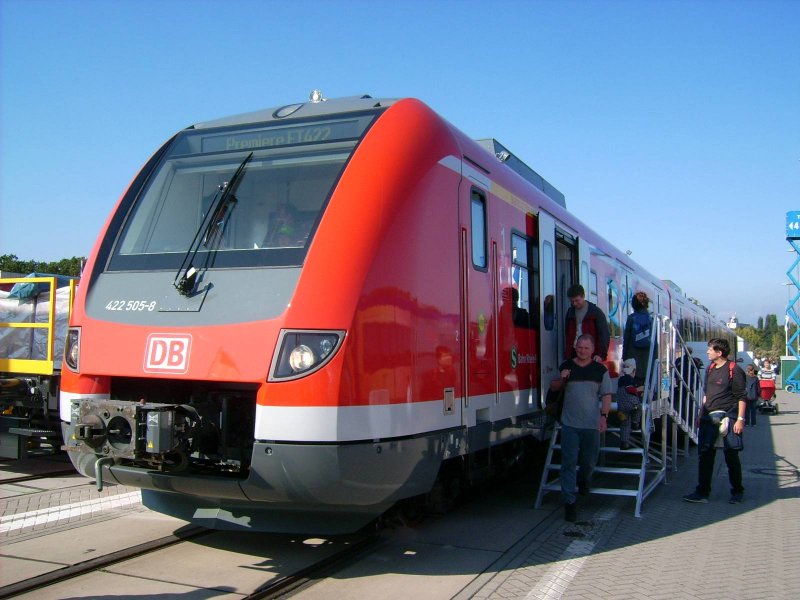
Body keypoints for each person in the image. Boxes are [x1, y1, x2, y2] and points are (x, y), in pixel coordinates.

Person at [551, 334, 613, 522]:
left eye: (586, 348)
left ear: (592, 350)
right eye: (579, 347)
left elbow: (606, 395)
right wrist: (562, 379)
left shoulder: (600, 370)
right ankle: (569, 502)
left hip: (591, 424)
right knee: (568, 463)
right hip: (569, 423)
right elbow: (553, 388)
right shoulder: (566, 366)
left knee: (589, 461)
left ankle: (583, 479)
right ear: (575, 347)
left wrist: (604, 416)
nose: (582, 351)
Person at [683, 338, 746, 504]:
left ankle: (737, 492)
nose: (707, 352)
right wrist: (700, 414)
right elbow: (706, 395)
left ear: (719, 353)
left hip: (728, 417)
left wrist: (740, 419)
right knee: (705, 454)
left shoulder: (734, 370)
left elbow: (741, 397)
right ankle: (702, 492)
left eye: (710, 349)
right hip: (708, 417)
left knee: (731, 455)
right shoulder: (710, 368)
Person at [564, 284, 610, 363]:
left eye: (577, 300)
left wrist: (600, 354)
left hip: (591, 355)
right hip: (574, 352)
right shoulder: (570, 312)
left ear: (583, 296)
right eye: (572, 301)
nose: (574, 303)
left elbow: (604, 334)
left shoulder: (596, 312)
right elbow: (567, 333)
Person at [622, 291, 654, 387]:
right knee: (644, 385)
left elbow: (626, 338)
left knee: (631, 385)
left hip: (632, 357)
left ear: (633, 304)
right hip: (647, 358)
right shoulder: (652, 319)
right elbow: (655, 341)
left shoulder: (631, 318)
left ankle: (634, 401)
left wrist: (624, 357)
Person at [616, 358, 643, 450]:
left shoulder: (620, 380)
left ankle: (624, 443)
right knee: (639, 407)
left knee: (625, 424)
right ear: (634, 370)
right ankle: (636, 423)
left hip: (620, 407)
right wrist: (639, 389)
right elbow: (630, 390)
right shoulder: (629, 379)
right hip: (630, 404)